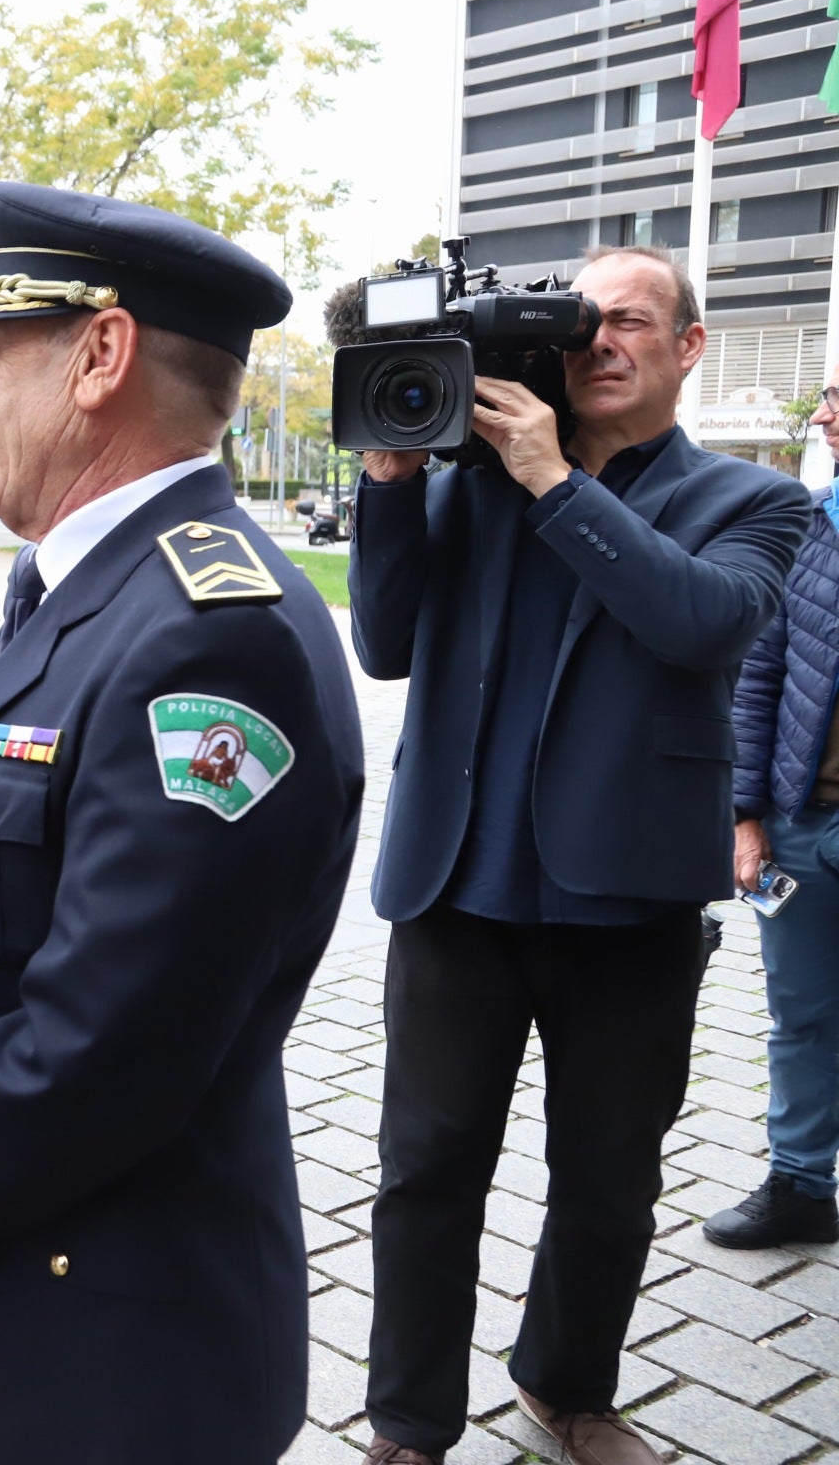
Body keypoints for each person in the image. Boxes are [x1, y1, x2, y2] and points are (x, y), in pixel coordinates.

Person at [0, 183, 364, 1463]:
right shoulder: (93, 587)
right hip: (33, 1309)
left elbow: (112, 1044)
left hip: (118, 1359)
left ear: (101, 356)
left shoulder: (210, 639)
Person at [347, 245, 811, 1465]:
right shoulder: (469, 480)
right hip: (457, 889)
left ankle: (567, 1389)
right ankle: (408, 1424)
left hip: (633, 905)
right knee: (426, 1171)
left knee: (608, 1178)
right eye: (582, 322)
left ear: (688, 347)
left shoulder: (752, 500)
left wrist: (555, 479)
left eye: (633, 322)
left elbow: (699, 621)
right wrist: (394, 480)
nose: (601, 341)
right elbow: (384, 646)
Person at [721, 373, 839, 1250]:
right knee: (802, 1017)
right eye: (824, 396)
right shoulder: (813, 523)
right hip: (806, 825)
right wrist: (747, 815)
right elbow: (760, 677)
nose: (823, 415)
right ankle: (801, 1185)